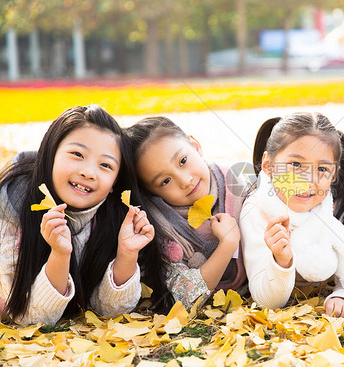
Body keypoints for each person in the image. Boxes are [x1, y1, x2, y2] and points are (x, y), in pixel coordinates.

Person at [0, 105, 169, 327]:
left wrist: (126, 254)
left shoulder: (116, 217)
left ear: (114, 184)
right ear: (51, 154)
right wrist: (59, 255)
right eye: (77, 154)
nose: (88, 172)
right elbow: (31, 318)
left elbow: (110, 311)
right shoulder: (14, 209)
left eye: (106, 165)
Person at [240, 112, 344, 317]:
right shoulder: (257, 211)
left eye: (322, 168)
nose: (308, 180)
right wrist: (281, 261)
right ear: (269, 165)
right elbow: (266, 301)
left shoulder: (332, 207)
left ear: (333, 175)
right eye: (296, 165)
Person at [126, 117, 247, 308]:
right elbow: (182, 297)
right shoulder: (160, 228)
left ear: (195, 146)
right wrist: (228, 244)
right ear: (151, 193)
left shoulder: (239, 186)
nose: (184, 181)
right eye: (165, 181)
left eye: (183, 161)